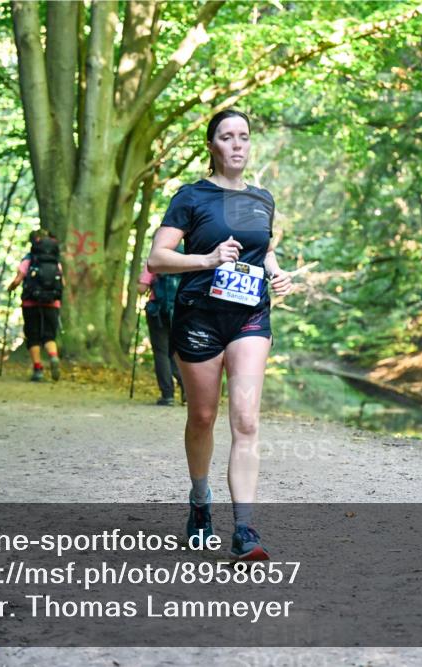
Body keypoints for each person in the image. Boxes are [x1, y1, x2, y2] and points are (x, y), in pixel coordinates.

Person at [147, 109, 293, 561]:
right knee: (203, 418)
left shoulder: (263, 199)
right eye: (227, 137)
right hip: (199, 317)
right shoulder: (191, 197)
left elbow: (263, 250)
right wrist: (207, 260)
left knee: (246, 420)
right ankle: (199, 503)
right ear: (212, 145)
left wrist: (276, 271)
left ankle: (245, 529)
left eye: (244, 137)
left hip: (249, 316)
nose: (237, 145)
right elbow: (157, 258)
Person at [7, 230, 63, 382]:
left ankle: (38, 369)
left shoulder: (28, 260)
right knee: (49, 335)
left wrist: (10, 288)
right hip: (52, 303)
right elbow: (61, 283)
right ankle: (53, 356)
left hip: (31, 303)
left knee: (33, 336)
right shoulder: (55, 261)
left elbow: (18, 280)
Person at [138, 262, 185, 406]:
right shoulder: (185, 258)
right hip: (181, 312)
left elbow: (141, 288)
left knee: (161, 352)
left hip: (158, 312)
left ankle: (167, 395)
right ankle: (188, 393)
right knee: (178, 352)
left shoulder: (154, 260)